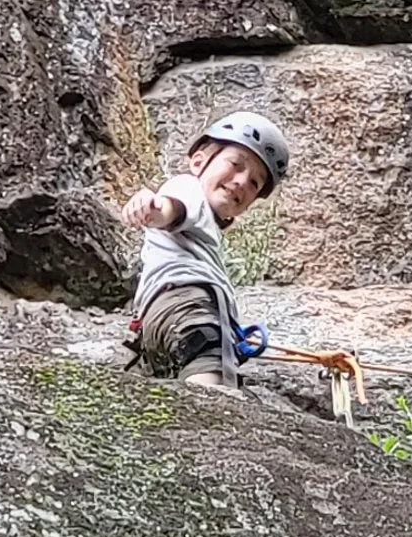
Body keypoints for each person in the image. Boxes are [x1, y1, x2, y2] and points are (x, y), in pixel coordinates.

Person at [122, 109, 290, 392]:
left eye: (254, 183)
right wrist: (154, 207)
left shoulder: (201, 231)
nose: (241, 181)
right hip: (190, 311)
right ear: (199, 161)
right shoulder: (189, 188)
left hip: (156, 324)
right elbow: (173, 208)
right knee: (215, 400)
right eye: (236, 164)